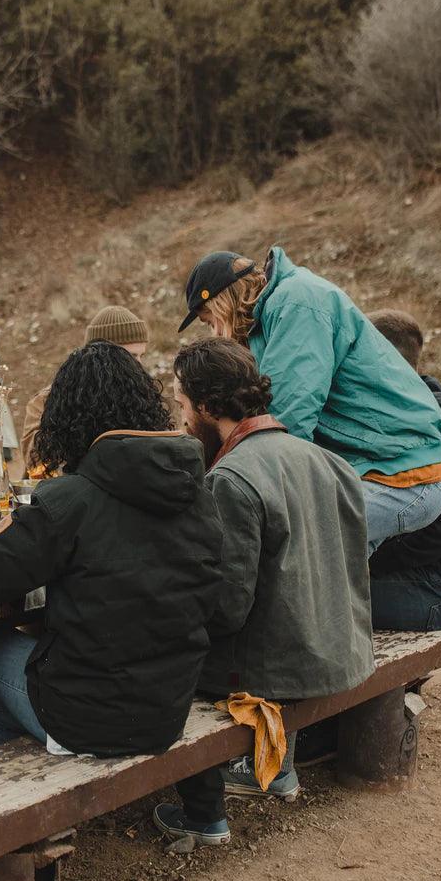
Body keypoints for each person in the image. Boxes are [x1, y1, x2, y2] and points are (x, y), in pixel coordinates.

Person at [0, 341, 224, 757]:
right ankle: (35, 811)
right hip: (168, 707)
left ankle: (42, 819)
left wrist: (10, 523)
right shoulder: (197, 489)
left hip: (90, 719)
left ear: (69, 420)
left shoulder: (70, 500)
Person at [153, 338, 373, 845]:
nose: (183, 422)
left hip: (285, 667)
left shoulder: (230, 478)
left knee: (159, 650)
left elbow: (228, 610)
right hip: (342, 649)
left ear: (208, 408)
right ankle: (277, 772)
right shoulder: (328, 460)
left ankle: (206, 815)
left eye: (184, 407)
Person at [178, 248, 441, 555]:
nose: (215, 331)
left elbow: (286, 423)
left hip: (404, 476)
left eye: (209, 320)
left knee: (298, 544)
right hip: (378, 466)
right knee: (337, 577)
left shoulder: (297, 303)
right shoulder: (272, 318)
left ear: (222, 302)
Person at [367, 310, 441, 631]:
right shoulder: (422, 406)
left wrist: (373, 559)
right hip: (430, 575)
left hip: (440, 589)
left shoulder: (431, 426)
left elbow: (440, 531)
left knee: (324, 604)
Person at [20, 304, 149, 469]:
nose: (138, 365)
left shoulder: (143, 397)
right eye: (130, 356)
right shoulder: (48, 400)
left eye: (141, 356)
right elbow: (37, 461)